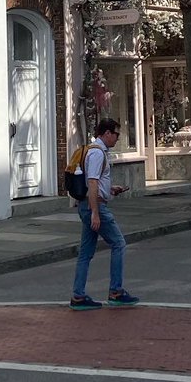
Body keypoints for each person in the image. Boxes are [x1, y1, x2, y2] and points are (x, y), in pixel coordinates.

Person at [70, 118, 139, 310]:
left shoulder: (94, 151)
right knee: (118, 243)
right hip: (95, 206)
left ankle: (78, 295)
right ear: (107, 133)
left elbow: (96, 182)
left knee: (85, 253)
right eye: (116, 134)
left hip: (90, 204)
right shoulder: (97, 153)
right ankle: (116, 291)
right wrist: (95, 213)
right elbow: (92, 182)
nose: (117, 138)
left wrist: (109, 189)